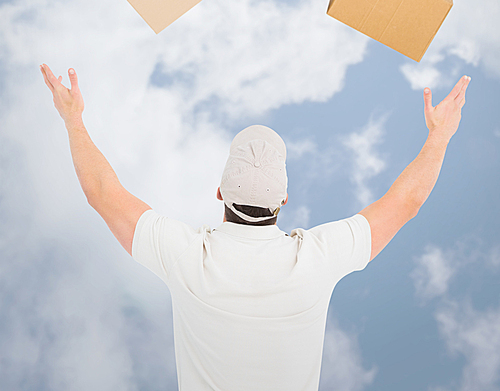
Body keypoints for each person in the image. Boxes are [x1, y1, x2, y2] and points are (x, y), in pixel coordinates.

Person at [40, 63, 470, 391]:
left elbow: (101, 192)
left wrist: (73, 118)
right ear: (284, 199)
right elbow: (404, 203)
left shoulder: (189, 257)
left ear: (219, 194)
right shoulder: (315, 260)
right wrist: (440, 136)